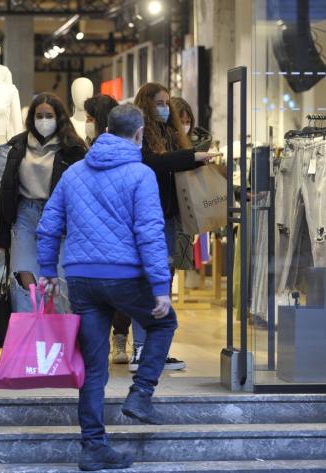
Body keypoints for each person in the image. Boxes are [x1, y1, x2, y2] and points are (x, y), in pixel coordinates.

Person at [37, 104, 177, 471]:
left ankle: (94, 447)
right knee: (163, 323)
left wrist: (47, 269)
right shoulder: (140, 173)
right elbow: (149, 231)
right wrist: (160, 285)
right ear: (139, 134)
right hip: (124, 276)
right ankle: (141, 395)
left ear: (104, 130)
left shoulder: (75, 172)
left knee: (94, 368)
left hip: (81, 279)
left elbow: (49, 222)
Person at [124, 82, 221, 373]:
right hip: (144, 218)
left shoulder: (172, 135)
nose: (166, 108)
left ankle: (156, 350)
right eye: (160, 102)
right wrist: (192, 157)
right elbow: (155, 163)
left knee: (162, 285)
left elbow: (189, 176)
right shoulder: (137, 136)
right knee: (147, 284)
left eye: (167, 102)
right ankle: (140, 350)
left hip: (168, 219)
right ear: (147, 104)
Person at [0, 93, 86, 314]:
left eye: (49, 115)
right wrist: (2, 231)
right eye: (39, 115)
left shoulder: (73, 148)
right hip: (25, 213)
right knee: (22, 275)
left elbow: (82, 191)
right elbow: (7, 189)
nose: (44, 120)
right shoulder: (18, 146)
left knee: (59, 280)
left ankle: (59, 335)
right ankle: (29, 333)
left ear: (59, 118)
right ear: (31, 118)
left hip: (60, 218)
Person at [83, 94, 131, 364]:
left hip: (116, 221)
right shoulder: (85, 144)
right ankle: (101, 338)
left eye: (90, 118)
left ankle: (120, 337)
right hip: (92, 222)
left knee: (119, 284)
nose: (86, 123)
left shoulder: (121, 146)